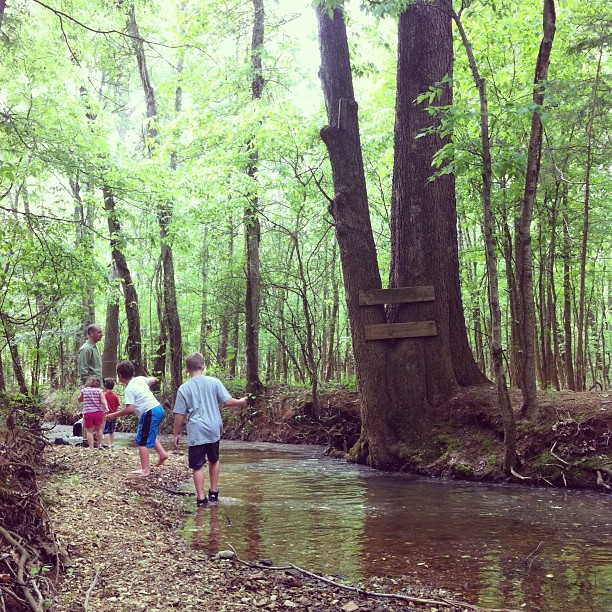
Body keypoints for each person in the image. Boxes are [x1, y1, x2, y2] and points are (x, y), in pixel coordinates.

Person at [173, 352, 248, 507]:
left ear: (187, 369)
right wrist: (241, 402)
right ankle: (213, 493)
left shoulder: (183, 388)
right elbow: (227, 402)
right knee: (214, 459)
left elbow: (179, 414)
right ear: (204, 366)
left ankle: (201, 499)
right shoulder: (214, 382)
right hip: (214, 428)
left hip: (196, 430)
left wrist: (176, 434)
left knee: (197, 465)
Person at [106, 360, 169, 476]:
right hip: (158, 409)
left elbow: (129, 409)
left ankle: (145, 470)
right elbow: (153, 380)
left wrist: (113, 415)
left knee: (141, 442)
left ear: (120, 376)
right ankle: (162, 454)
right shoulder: (139, 379)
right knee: (150, 434)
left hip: (149, 412)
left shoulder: (129, 389)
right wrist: (154, 379)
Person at [77, 376, 108, 449]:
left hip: (88, 413)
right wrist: (106, 407)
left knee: (89, 431)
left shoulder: (84, 390)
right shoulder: (99, 391)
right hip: (98, 413)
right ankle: (99, 445)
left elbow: (79, 399)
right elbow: (103, 400)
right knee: (98, 429)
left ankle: (91, 447)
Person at [103, 377, 120, 448]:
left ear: (104, 386)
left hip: (106, 415)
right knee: (112, 430)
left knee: (106, 431)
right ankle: (112, 443)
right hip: (114, 415)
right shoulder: (115, 396)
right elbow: (117, 406)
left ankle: (108, 444)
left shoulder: (103, 395)